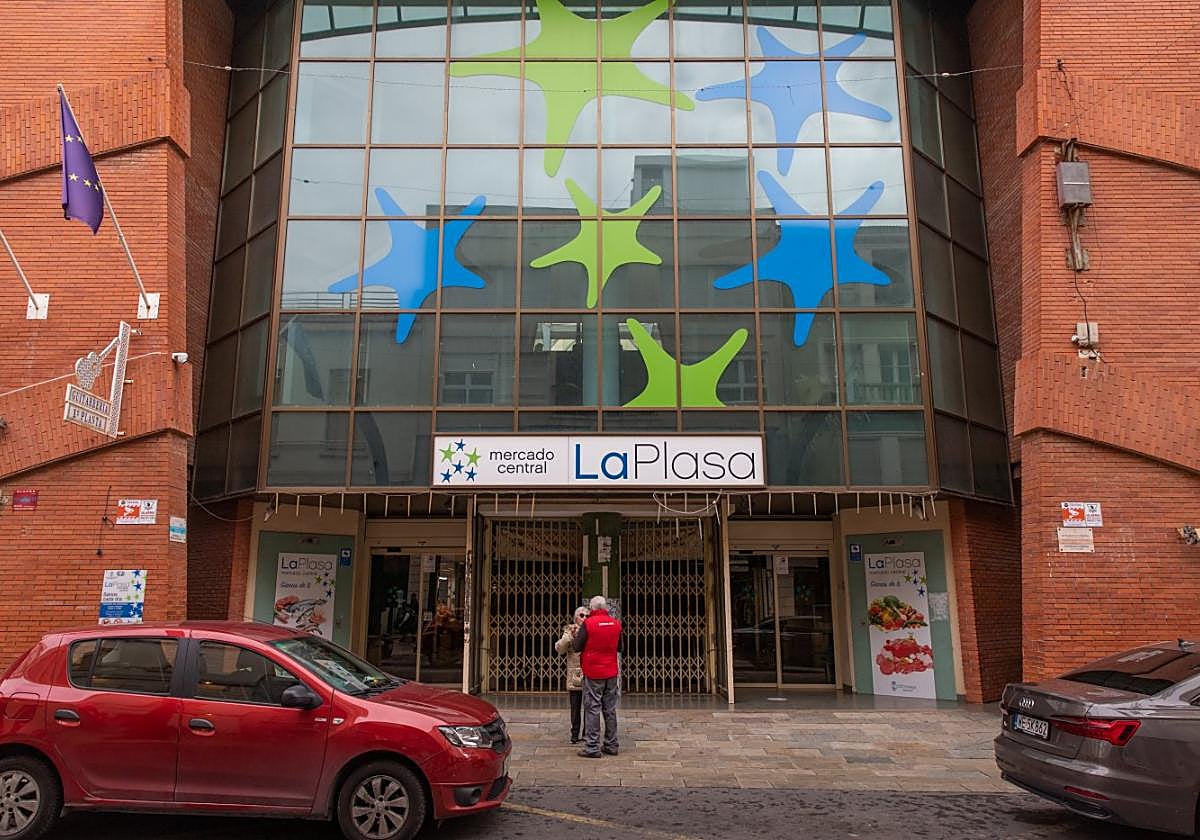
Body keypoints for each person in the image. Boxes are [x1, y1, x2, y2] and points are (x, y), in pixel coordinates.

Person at [572, 595, 623, 758]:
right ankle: (611, 744)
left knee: (593, 708)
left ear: (592, 608)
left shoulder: (588, 624)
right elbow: (620, 647)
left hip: (593, 672)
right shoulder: (616, 624)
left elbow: (577, 646)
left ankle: (592, 746)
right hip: (611, 672)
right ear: (605, 608)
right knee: (610, 709)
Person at [554, 606, 589, 744]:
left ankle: (587, 734)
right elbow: (560, 649)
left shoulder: (591, 629)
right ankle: (574, 734)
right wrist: (569, 636)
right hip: (575, 675)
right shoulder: (569, 631)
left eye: (587, 616)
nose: (584, 618)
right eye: (582, 615)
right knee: (575, 707)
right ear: (575, 618)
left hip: (589, 672)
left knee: (589, 706)